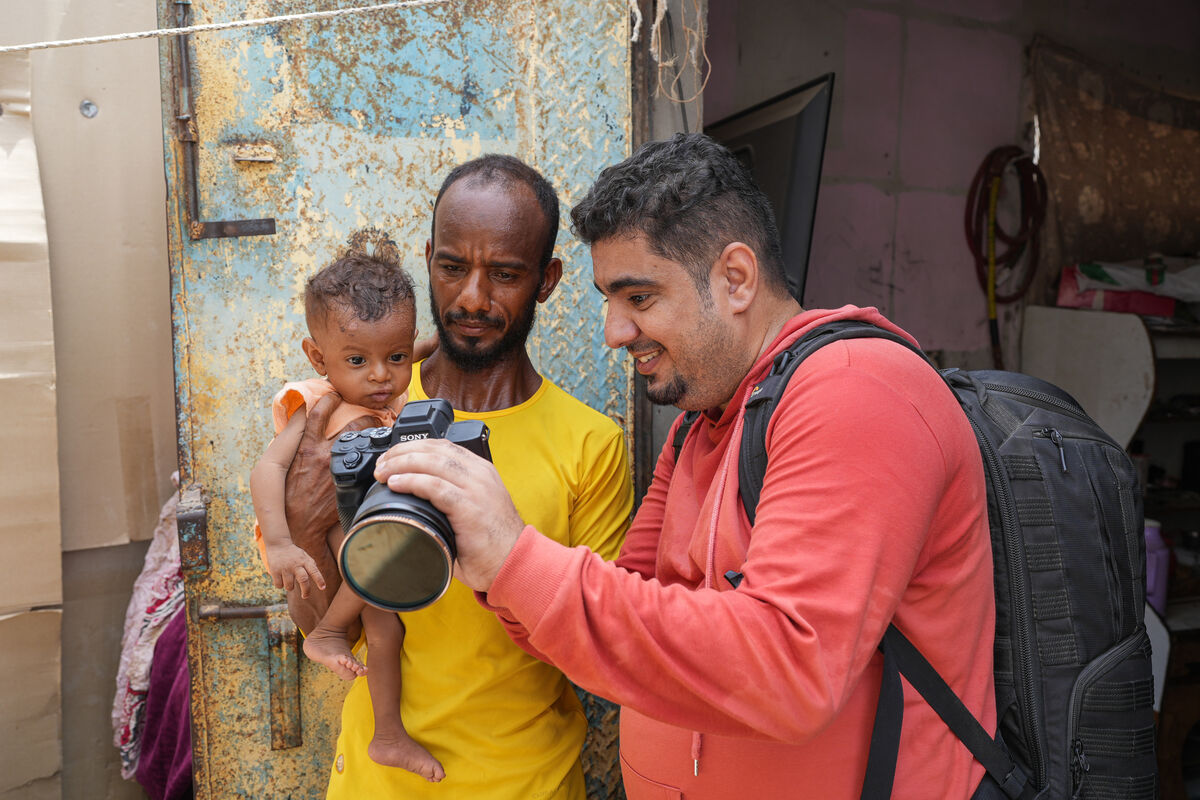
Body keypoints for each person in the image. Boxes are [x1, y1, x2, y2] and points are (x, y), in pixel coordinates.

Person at [373, 133, 998, 799]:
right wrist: (490, 566)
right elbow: (610, 625)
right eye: (610, 300)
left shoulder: (857, 390)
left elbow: (791, 670)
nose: (614, 331)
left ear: (735, 277)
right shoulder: (704, 425)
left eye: (638, 298)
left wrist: (517, 557)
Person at [280, 154, 634, 799]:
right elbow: (320, 628)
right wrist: (305, 521)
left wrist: (503, 555)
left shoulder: (592, 444)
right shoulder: (356, 405)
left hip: (523, 782)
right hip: (375, 782)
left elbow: (600, 655)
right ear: (428, 261)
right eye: (451, 268)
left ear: (547, 280)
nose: (472, 298)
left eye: (503, 274)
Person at [249, 248, 446, 781]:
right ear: (319, 359)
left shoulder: (386, 391)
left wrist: (434, 343)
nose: (381, 377)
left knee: (386, 630)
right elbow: (267, 469)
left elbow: (419, 350)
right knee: (377, 573)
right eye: (358, 360)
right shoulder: (322, 403)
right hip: (323, 535)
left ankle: (387, 736)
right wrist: (284, 540)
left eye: (397, 358)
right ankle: (327, 634)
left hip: (355, 526)